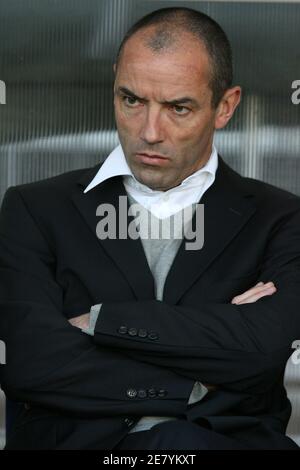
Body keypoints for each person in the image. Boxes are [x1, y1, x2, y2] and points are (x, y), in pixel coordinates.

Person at [0, 6, 300, 450]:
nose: (149, 131)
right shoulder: (34, 208)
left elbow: (264, 352)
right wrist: (199, 382)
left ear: (226, 106)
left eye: (178, 107)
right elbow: (30, 363)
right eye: (131, 100)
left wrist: (104, 322)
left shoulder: (282, 218)